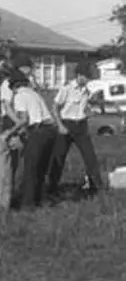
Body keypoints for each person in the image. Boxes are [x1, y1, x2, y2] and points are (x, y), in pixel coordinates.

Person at [47, 62, 102, 197]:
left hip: (81, 126)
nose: (88, 80)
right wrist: (60, 125)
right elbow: (55, 108)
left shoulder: (86, 91)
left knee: (90, 156)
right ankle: (52, 188)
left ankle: (97, 187)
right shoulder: (67, 89)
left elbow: (83, 109)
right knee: (59, 157)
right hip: (66, 124)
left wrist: (91, 113)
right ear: (79, 75)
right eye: (86, 77)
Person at [9, 72, 58, 209]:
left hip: (38, 132)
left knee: (30, 169)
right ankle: (41, 200)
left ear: (14, 87)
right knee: (41, 169)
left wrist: (13, 134)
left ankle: (27, 204)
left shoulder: (20, 96)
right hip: (51, 131)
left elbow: (24, 120)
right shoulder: (34, 94)